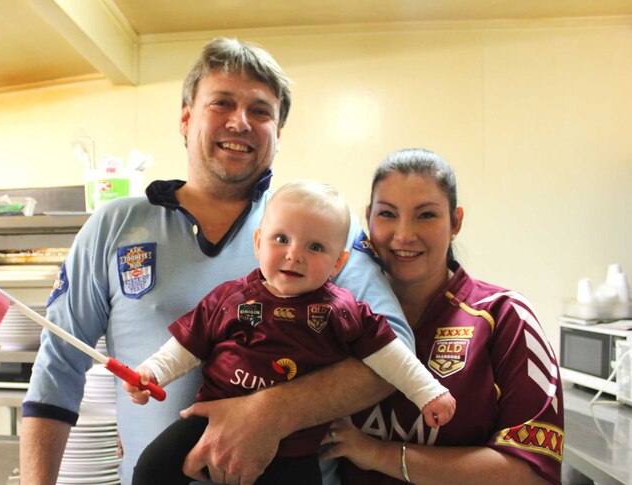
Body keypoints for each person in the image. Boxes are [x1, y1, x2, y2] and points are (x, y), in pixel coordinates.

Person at [20, 37, 411, 485]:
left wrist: (269, 413)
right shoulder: (115, 225)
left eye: (261, 111)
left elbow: (395, 349)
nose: (240, 122)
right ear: (186, 118)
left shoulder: (321, 232)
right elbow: (58, 365)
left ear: (278, 134)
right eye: (222, 103)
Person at [125, 180, 456, 485]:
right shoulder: (229, 298)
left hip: (294, 449)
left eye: (314, 247)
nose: (294, 254)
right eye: (281, 239)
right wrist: (151, 372)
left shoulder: (343, 311)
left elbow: (390, 354)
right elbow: (187, 345)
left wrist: (428, 391)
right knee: (152, 467)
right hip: (209, 424)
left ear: (338, 263)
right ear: (259, 243)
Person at [319, 148, 564, 484]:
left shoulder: (506, 316)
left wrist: (378, 454)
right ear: (368, 218)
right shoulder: (332, 316)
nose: (404, 235)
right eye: (388, 214)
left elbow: (531, 473)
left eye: (426, 215)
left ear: (456, 222)